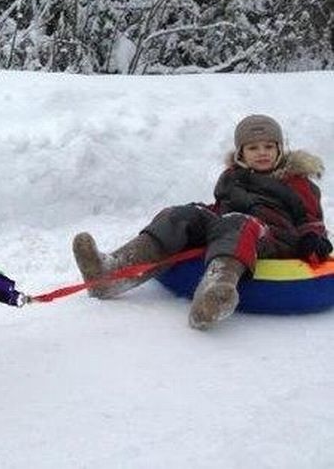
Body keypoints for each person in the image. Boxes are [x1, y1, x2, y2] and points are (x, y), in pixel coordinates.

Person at [72, 114, 331, 330]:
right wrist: (199, 215)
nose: (262, 153)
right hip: (232, 226)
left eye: (269, 146)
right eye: (253, 148)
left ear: (279, 148)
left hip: (273, 236)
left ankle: (215, 290)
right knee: (183, 214)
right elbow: (222, 208)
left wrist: (312, 238)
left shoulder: (295, 181)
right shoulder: (232, 177)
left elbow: (310, 218)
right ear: (241, 152)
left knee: (238, 222)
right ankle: (110, 273)